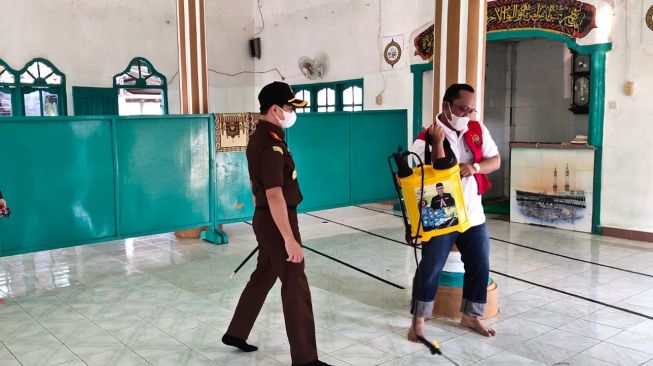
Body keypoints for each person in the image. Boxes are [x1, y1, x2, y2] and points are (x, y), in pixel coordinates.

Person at [221, 81, 331, 366]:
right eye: (289, 108)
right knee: (295, 281)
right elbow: (274, 194)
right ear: (274, 109)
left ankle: (236, 332)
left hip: (268, 218)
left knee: (265, 273)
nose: (292, 113)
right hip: (275, 219)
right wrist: (289, 239)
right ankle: (306, 360)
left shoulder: (266, 136)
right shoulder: (269, 144)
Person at [408, 83, 500, 339]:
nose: (467, 115)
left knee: (479, 265)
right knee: (430, 267)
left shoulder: (477, 130)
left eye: (471, 110)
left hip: (473, 214)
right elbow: (432, 176)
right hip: (441, 217)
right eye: (462, 109)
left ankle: (471, 316)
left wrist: (475, 168)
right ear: (446, 106)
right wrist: (437, 143)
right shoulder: (423, 139)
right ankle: (419, 320)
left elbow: (495, 160)